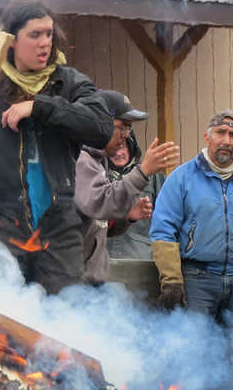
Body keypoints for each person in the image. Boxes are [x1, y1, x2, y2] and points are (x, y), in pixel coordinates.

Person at [0, 0, 112, 294]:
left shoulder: (69, 83)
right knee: (4, 318)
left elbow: (102, 127)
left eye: (49, 34)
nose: (45, 43)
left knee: (65, 316)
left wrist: (39, 106)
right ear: (11, 40)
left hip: (59, 223)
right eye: (35, 35)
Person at [149, 109, 233, 324]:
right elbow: (163, 230)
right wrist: (171, 281)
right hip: (196, 280)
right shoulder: (181, 178)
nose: (226, 140)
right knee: (195, 349)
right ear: (207, 137)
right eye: (220, 133)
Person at [74, 90, 179, 284]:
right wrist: (143, 171)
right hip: (74, 286)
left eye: (129, 129)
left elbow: (96, 223)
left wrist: (126, 216)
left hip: (90, 285)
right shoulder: (81, 160)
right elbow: (101, 202)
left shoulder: (97, 162)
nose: (126, 135)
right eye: (122, 127)